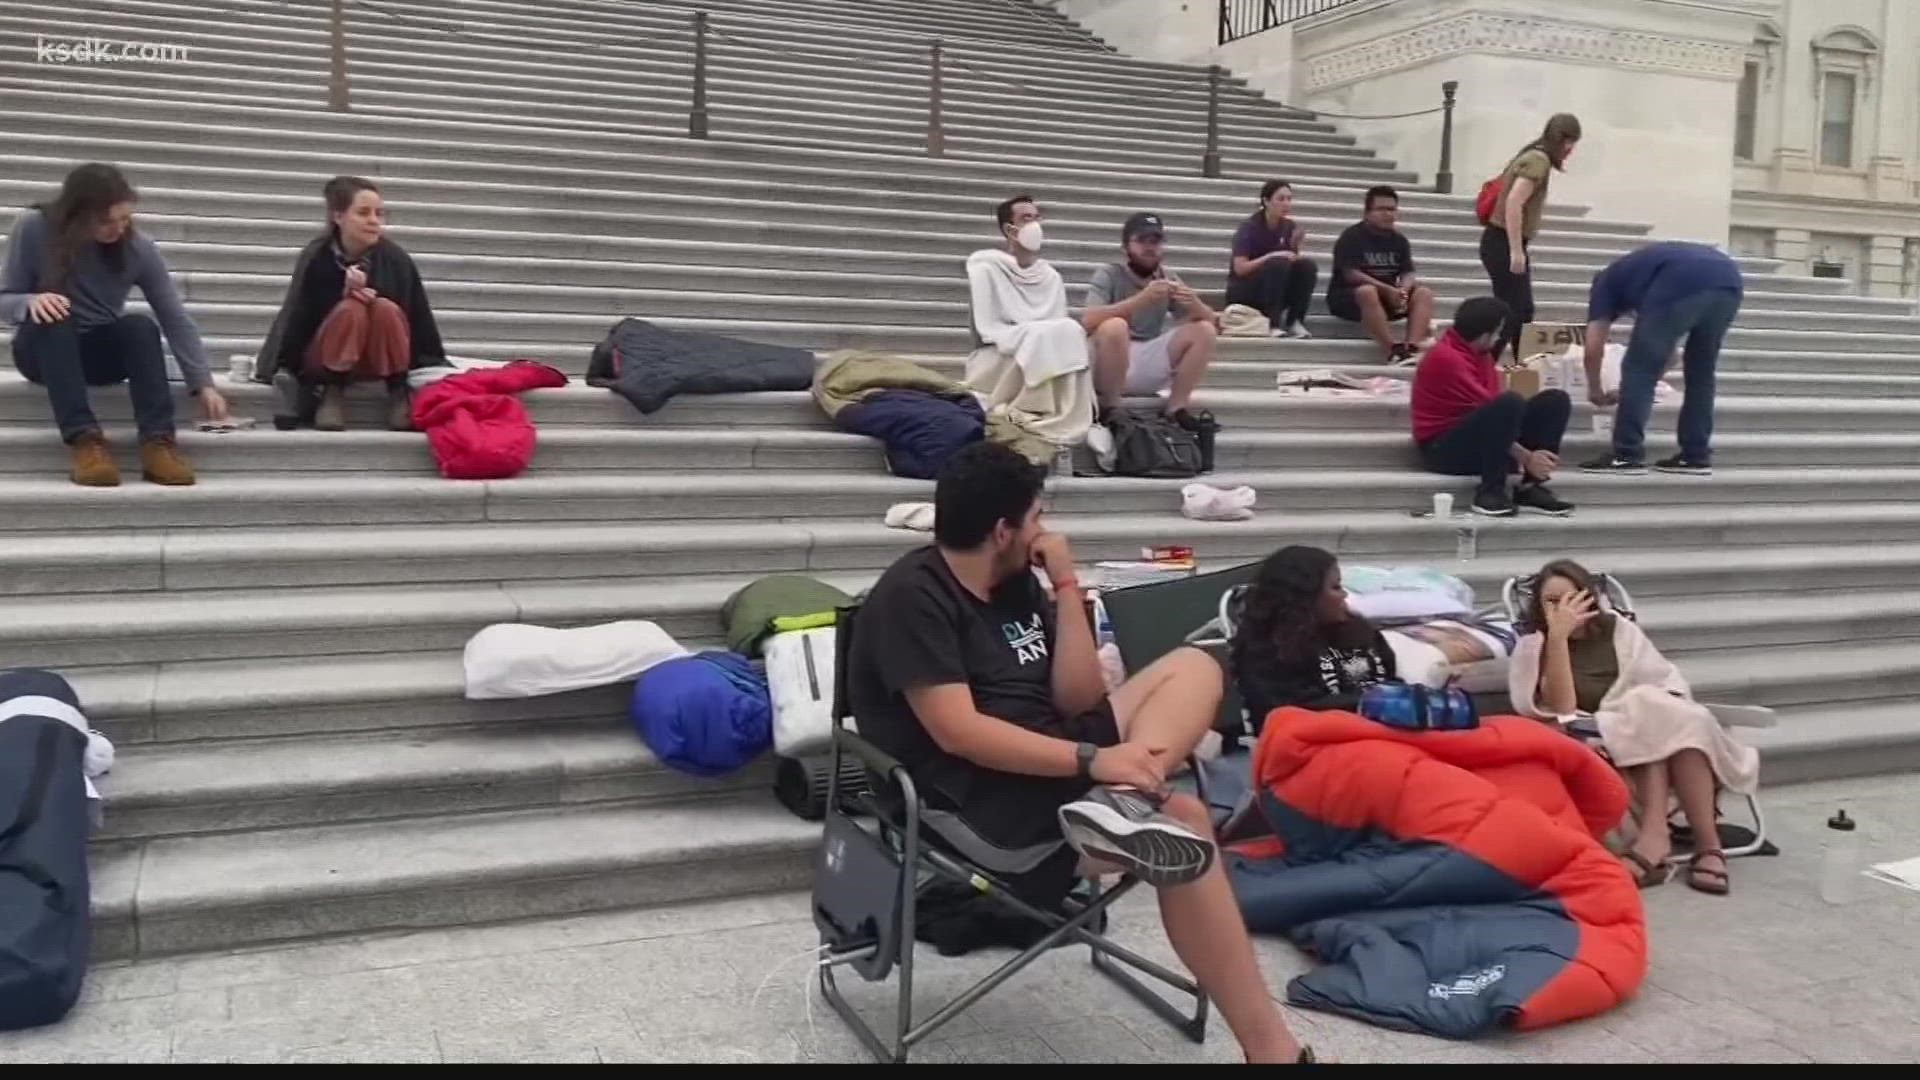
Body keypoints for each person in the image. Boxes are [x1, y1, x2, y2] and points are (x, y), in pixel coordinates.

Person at [847, 442, 1310, 1065]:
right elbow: (959, 734)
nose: (1046, 529)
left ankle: (1119, 805)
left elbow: (1078, 696)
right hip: (972, 798)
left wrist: (1065, 585)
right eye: (1037, 517)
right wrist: (1092, 761)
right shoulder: (913, 597)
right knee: (1188, 823)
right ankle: (1273, 1054)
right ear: (1003, 530)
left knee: (1199, 665)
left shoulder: (1016, 584)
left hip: (1059, 757)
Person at [1508, 560, 1759, 896]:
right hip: (1591, 732)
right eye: (1551, 602)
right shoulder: (1535, 646)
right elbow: (1561, 708)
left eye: (1571, 599)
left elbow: (1663, 681)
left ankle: (1689, 842)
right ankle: (1699, 844)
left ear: (1588, 598)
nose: (1562, 609)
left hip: (1645, 725)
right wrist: (1558, 639)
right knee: (1661, 720)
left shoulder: (1620, 631)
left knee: (1664, 713)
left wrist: (1638, 710)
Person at [0, 163, 227, 487]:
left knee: (139, 326)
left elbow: (174, 316)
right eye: (106, 221)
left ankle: (157, 442)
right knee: (56, 315)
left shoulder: (138, 248)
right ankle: (85, 441)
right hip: (41, 349)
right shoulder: (34, 226)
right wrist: (29, 302)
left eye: (124, 219)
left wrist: (203, 382)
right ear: (77, 214)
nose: (117, 229)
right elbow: (3, 299)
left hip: (96, 353)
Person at [256, 176, 447, 432]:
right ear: (338, 216)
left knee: (384, 308)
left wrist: (373, 294)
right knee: (351, 308)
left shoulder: (396, 259)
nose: (374, 221)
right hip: (326, 358)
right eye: (363, 213)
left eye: (379, 214)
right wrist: (342, 291)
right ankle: (332, 391)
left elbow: (416, 320)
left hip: (377, 357)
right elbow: (298, 317)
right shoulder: (317, 256)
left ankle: (398, 390)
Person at [1579, 241, 1743, 476]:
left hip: (1681, 279)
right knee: (1701, 371)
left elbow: (1592, 349)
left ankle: (1626, 454)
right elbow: (1670, 356)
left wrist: (1595, 389)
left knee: (1636, 367)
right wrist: (1638, 386)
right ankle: (1695, 455)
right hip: (1728, 281)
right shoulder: (1638, 276)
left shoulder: (1604, 285)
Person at [1411, 296, 1574, 517]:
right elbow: (1492, 408)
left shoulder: (1481, 355)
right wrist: (1527, 457)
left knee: (1555, 400)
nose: (1499, 339)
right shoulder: (1445, 357)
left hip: (1480, 439)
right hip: (1441, 447)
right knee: (1510, 402)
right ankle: (1490, 492)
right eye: (1498, 332)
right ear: (1484, 334)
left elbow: (1495, 413)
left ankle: (1529, 486)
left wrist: (1528, 458)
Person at [962, 195, 1094, 452]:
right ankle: (1032, 405)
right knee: (1041, 337)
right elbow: (987, 329)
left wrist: (1040, 333)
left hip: (1039, 346)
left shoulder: (1051, 276)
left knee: (1070, 330)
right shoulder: (986, 267)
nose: (1034, 224)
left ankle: (1061, 411)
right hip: (998, 354)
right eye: (1026, 218)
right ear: (1009, 229)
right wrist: (1031, 333)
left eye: (1036, 217)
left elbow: (1058, 325)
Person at [1230, 545, 1397, 730]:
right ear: (1306, 596)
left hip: (1384, 730)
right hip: (1321, 740)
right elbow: (1289, 713)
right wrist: (1376, 703)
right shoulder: (1267, 649)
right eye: (1336, 587)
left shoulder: (1360, 630)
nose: (1344, 595)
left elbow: (1390, 678)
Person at [1082, 212, 1218, 426]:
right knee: (1115, 326)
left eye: (1155, 241)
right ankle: (1110, 407)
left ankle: (1176, 408)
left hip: (1146, 362)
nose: (1149, 247)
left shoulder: (1167, 278)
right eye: (1141, 240)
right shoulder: (1109, 274)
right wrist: (1140, 300)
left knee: (1205, 330)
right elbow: (1088, 321)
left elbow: (1214, 323)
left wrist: (1196, 305)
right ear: (1125, 247)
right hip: (1107, 362)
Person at [1480, 114, 1582, 362]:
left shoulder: (1531, 155)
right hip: (1503, 240)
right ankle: (1485, 367)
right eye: (1571, 143)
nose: (1570, 151)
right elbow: (1514, 203)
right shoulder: (1539, 160)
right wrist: (1516, 251)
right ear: (1564, 140)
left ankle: (1522, 372)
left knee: (1519, 311)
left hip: (1499, 240)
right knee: (1515, 312)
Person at [1328, 185, 1434, 364]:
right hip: (1349, 299)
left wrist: (1403, 291)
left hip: (1386, 298)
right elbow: (1350, 274)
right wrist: (1387, 290)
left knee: (1424, 293)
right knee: (1367, 291)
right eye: (1382, 209)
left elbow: (1408, 272)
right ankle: (1392, 350)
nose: (1388, 214)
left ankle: (1411, 349)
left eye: (1392, 209)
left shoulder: (1399, 240)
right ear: (1367, 213)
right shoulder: (1351, 237)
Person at [1226, 179, 1318, 339]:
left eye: (1289, 199)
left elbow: (1290, 264)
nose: (1286, 204)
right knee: (1277, 263)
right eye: (1281, 199)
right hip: (1246, 290)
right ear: (1266, 201)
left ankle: (1294, 321)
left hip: (1274, 287)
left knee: (1307, 266)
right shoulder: (1249, 227)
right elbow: (1240, 269)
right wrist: (1271, 256)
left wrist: (1296, 246)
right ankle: (1273, 323)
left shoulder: (1289, 226)